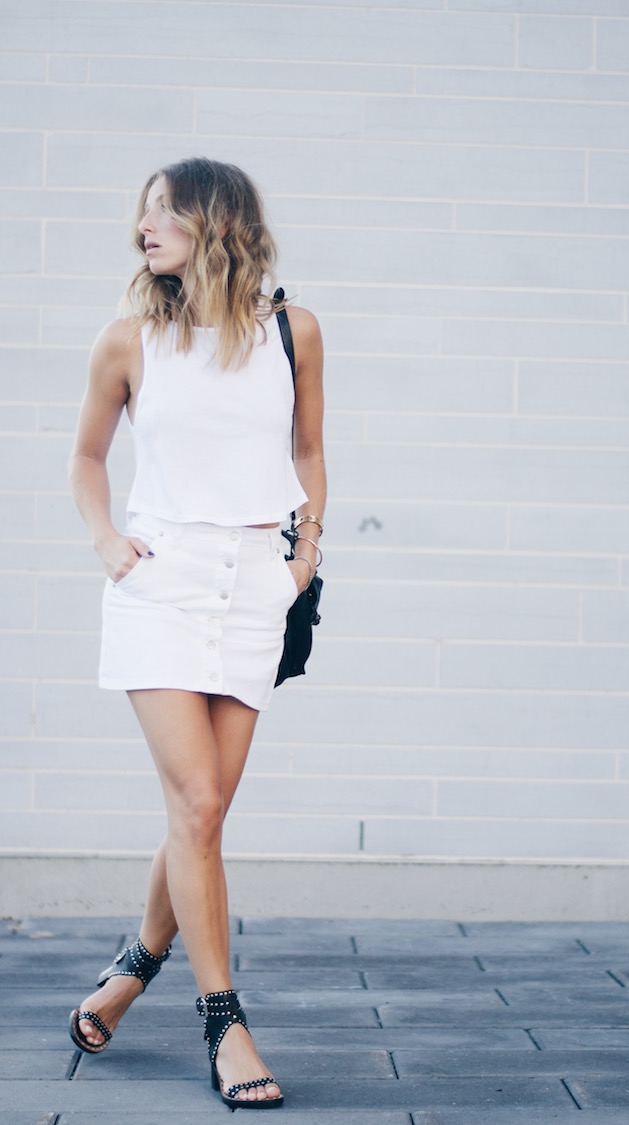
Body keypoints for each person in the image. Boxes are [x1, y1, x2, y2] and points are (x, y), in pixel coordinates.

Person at [67, 156, 326, 1110]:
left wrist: (303, 556)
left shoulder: (294, 331)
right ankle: (226, 1020)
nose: (143, 225)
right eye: (141, 211)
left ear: (216, 222)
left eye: (162, 210)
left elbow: (309, 451)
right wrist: (106, 538)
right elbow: (87, 456)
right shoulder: (129, 340)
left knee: (200, 808)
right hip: (161, 581)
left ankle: (135, 965)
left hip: (256, 583)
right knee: (201, 800)